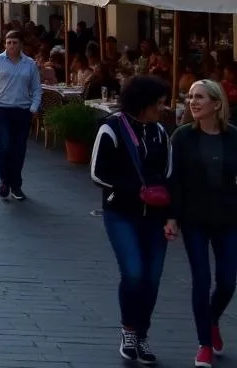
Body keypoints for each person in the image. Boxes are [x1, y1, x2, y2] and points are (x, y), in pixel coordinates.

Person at [89, 74, 171, 365]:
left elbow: (168, 175)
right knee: (134, 272)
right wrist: (134, 190)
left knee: (152, 278)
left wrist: (169, 214)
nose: (163, 108)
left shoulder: (160, 132)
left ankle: (143, 333)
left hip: (155, 217)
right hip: (121, 213)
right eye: (158, 104)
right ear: (143, 103)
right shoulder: (111, 129)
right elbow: (97, 173)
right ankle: (129, 329)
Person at [168, 79, 237, 367]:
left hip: (228, 217)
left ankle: (212, 320)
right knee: (201, 279)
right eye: (190, 97)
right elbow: (173, 180)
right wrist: (171, 216)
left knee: (227, 281)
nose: (192, 102)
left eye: (200, 98)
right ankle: (204, 344)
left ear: (217, 104)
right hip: (194, 218)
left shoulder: (234, 136)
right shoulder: (182, 137)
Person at [0, 30, 42, 201]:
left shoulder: (29, 64)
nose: (11, 46)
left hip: (22, 111)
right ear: (5, 44)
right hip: (1, 110)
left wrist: (33, 107)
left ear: (21, 44)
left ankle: (16, 185)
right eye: (8, 42)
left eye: (15, 42)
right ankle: (4, 181)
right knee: (5, 146)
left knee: (19, 149)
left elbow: (37, 88)